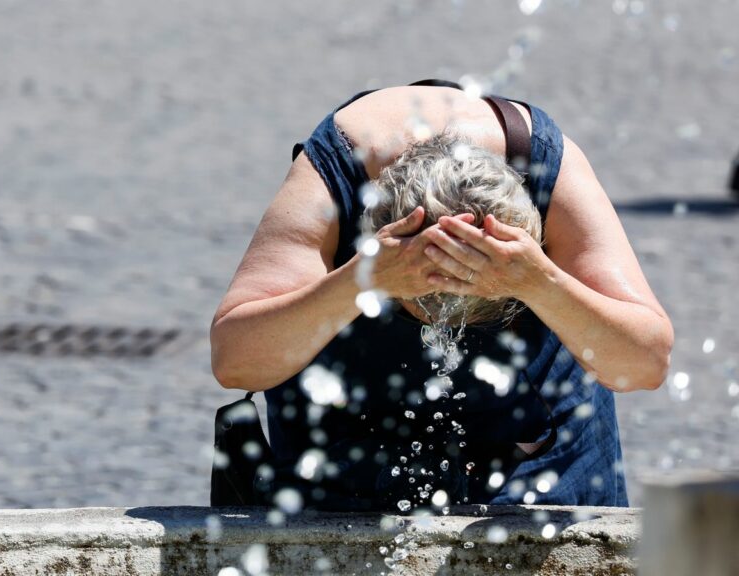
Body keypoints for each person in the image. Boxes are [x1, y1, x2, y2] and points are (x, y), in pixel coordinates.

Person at [209, 80, 673, 510]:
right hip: (349, 453)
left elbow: (646, 363)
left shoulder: (551, 170)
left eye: (492, 307)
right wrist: (360, 281)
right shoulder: (333, 175)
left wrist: (540, 283)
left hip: (544, 450)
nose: (444, 326)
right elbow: (234, 360)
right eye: (418, 305)